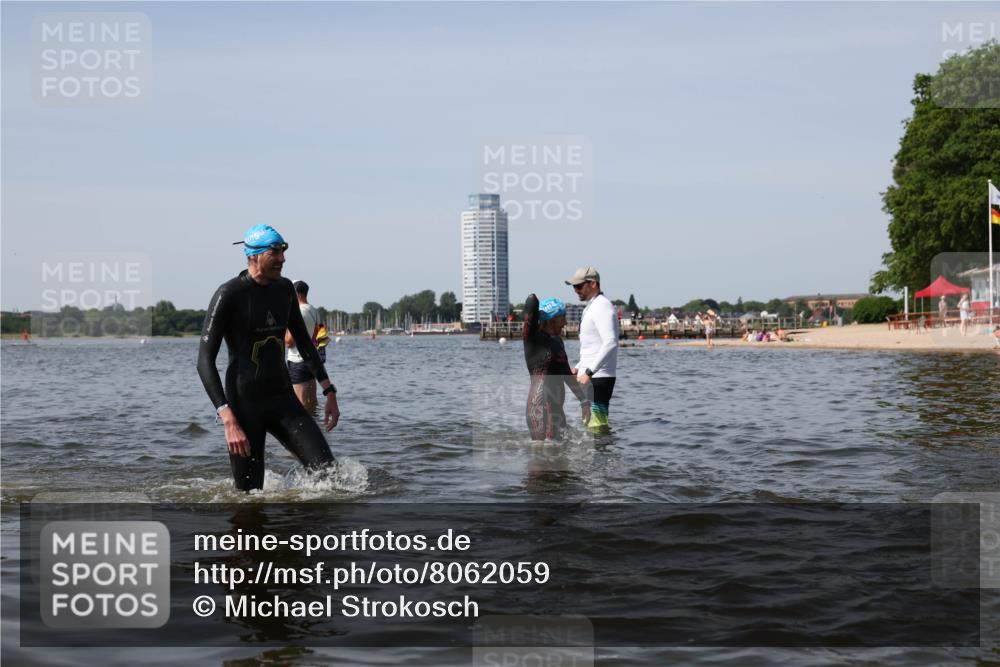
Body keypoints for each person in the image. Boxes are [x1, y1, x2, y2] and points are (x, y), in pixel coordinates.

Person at [197, 224, 341, 492]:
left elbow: (304, 343)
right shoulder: (229, 294)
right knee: (250, 497)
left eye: (283, 252)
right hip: (244, 406)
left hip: (283, 400)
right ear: (253, 255)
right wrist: (227, 417)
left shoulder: (285, 289)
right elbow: (204, 361)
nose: (282, 259)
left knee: (329, 475)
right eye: (275, 252)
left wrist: (328, 389)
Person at [523, 295, 589, 440]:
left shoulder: (557, 341)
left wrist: (583, 401)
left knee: (561, 457)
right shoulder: (533, 341)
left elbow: (566, 373)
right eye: (563, 317)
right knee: (541, 457)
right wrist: (540, 307)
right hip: (539, 410)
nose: (565, 322)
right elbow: (531, 302)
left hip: (557, 411)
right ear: (552, 319)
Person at [566, 267, 619, 434]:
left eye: (579, 286)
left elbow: (610, 342)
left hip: (598, 377)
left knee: (597, 428)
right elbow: (592, 347)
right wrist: (579, 366)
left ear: (593, 284)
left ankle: (602, 458)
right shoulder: (592, 306)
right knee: (590, 426)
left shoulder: (602, 306)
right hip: (590, 376)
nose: (575, 290)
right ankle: (595, 458)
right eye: (574, 287)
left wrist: (588, 372)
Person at [285, 280, 322, 410]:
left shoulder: (297, 311)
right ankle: (316, 426)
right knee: (312, 402)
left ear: (296, 293)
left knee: (300, 404)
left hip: (297, 361)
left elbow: (289, 342)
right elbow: (321, 336)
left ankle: (303, 429)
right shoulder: (315, 310)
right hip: (313, 360)